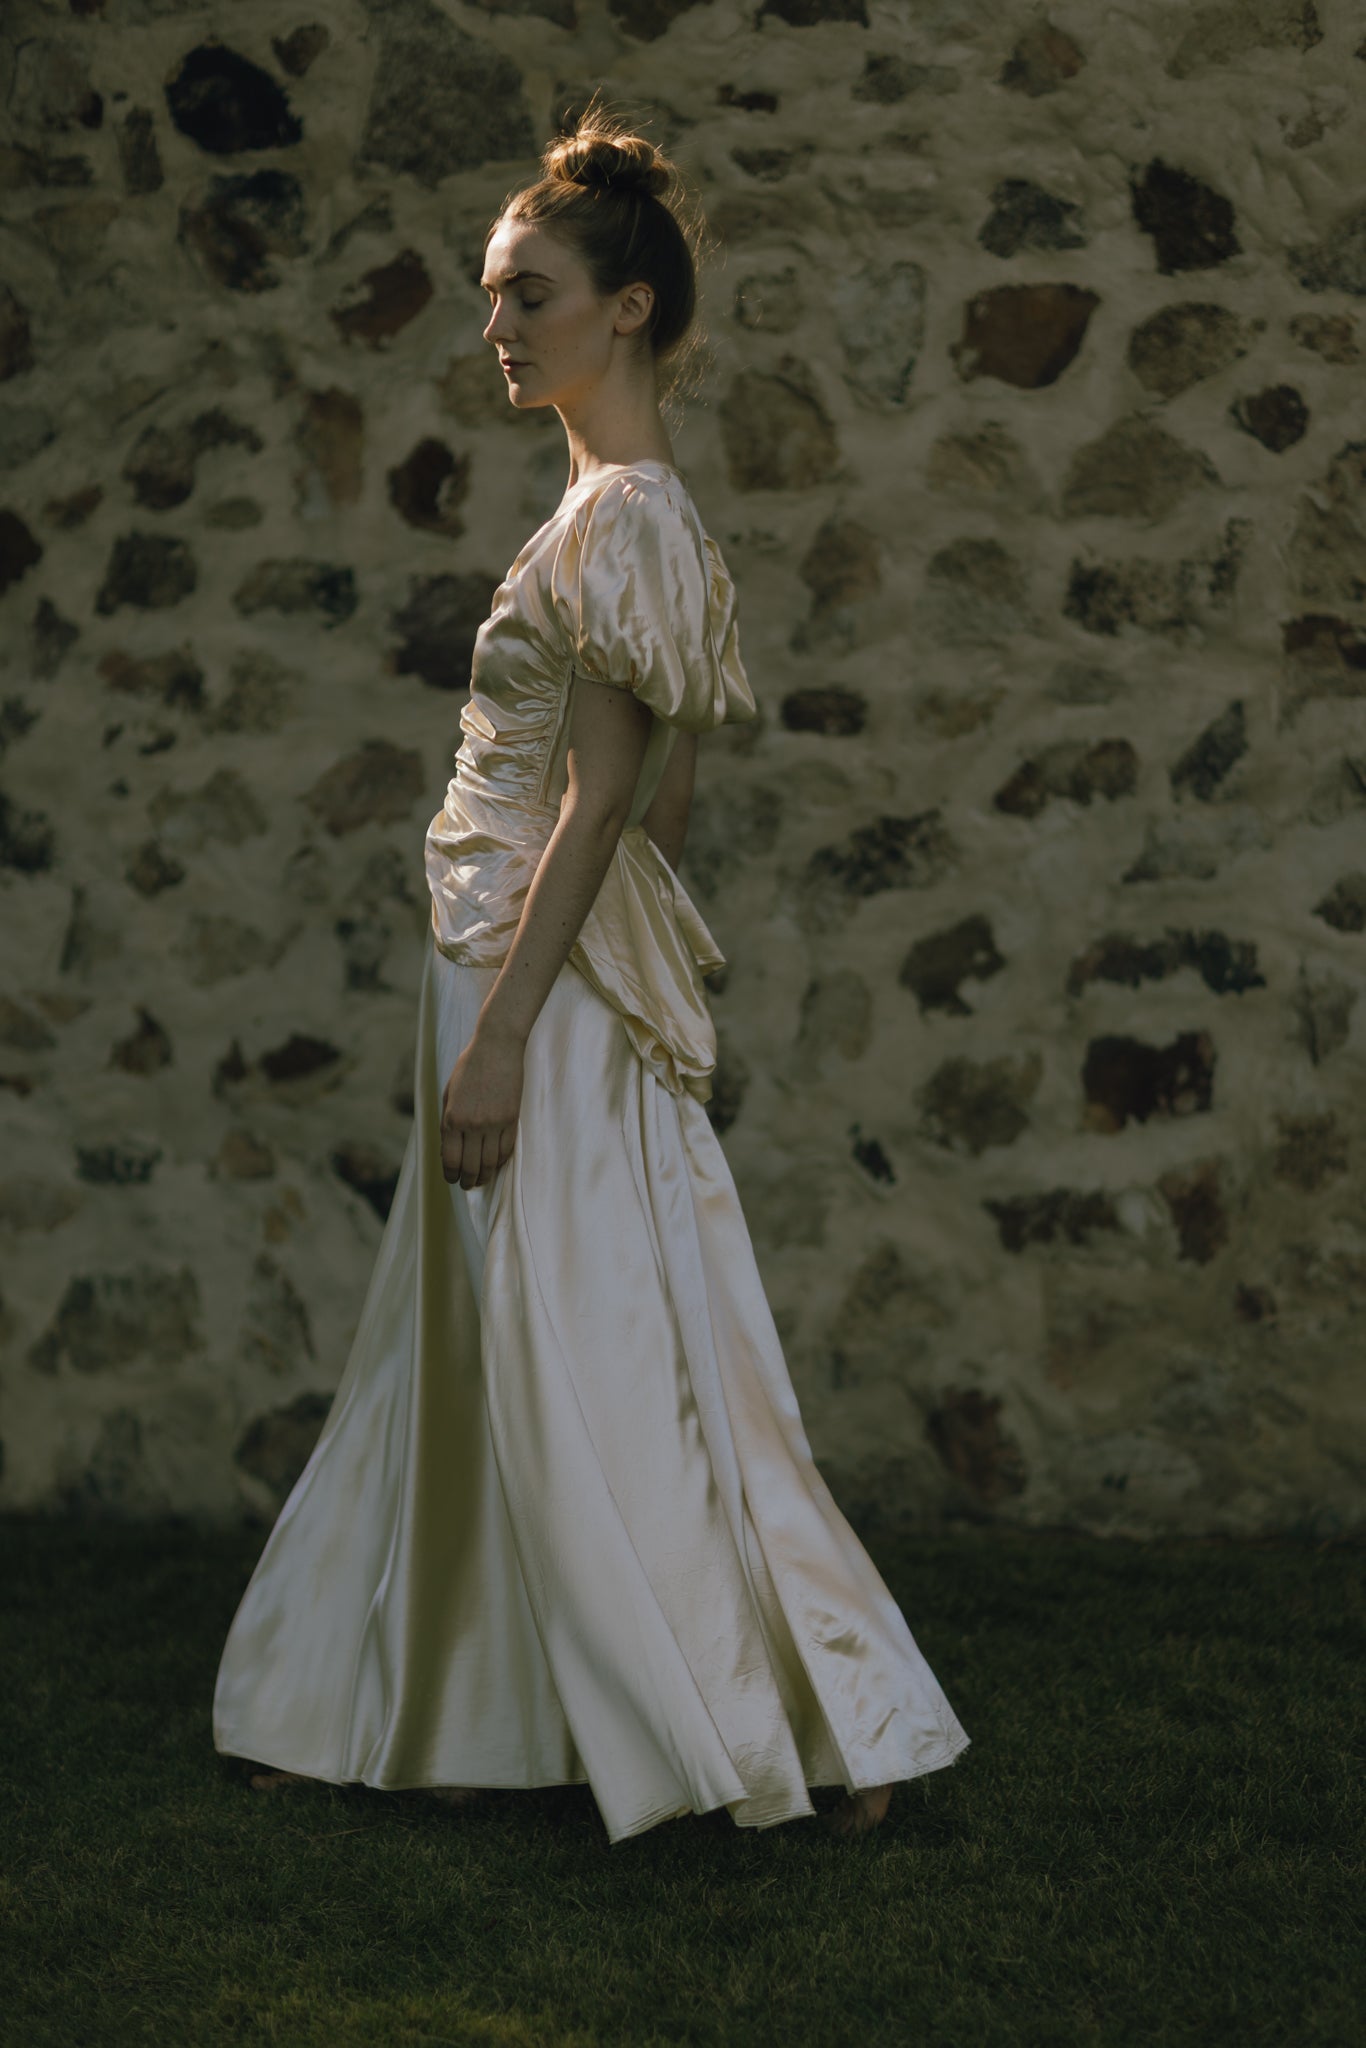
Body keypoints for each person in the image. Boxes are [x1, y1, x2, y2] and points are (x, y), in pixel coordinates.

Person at [213, 109, 971, 1844]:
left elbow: (615, 793)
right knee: (483, 1344)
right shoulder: (621, 511)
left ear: (627, 308)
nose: (497, 324)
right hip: (509, 960)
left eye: (530, 292)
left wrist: (510, 1034)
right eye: (492, 293)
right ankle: (374, 1700)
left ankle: (762, 1725)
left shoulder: (624, 515)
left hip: (517, 985)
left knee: (594, 1347)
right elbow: (662, 800)